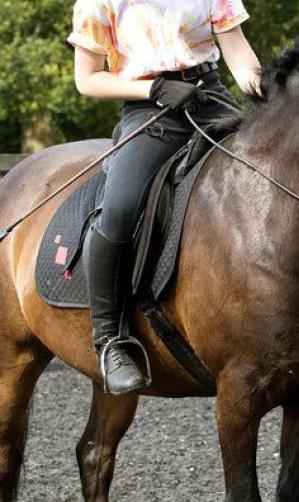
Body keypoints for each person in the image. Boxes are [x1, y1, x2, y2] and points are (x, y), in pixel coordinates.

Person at [68, 0, 261, 394]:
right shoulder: (97, 3)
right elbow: (88, 80)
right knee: (120, 211)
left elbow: (237, 52)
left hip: (211, 98)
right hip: (148, 109)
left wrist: (265, 91)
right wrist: (153, 87)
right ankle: (111, 341)